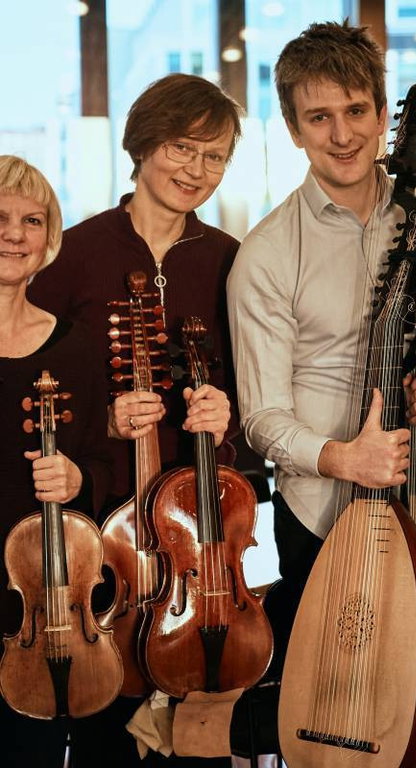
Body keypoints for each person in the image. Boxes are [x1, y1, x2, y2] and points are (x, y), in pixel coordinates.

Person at [226, 18, 416, 755]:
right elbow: (262, 416)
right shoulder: (268, 252)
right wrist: (343, 457)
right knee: (334, 727)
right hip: (319, 517)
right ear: (293, 129)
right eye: (319, 117)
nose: (342, 135)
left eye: (356, 110)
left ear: (379, 112)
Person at [28, 73, 243, 768]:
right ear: (144, 144)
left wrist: (226, 414)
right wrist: (105, 423)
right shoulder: (73, 255)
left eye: (215, 156)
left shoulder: (228, 260)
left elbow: (252, 393)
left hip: (199, 534)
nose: (197, 170)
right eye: (183, 148)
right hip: (100, 521)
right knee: (105, 722)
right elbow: (36, 392)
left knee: (201, 726)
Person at [0, 155, 112, 767]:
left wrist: (77, 478)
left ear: (49, 239)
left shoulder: (75, 345)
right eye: (0, 218)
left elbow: (102, 462)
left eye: (32, 220)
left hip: (38, 604)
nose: (14, 234)